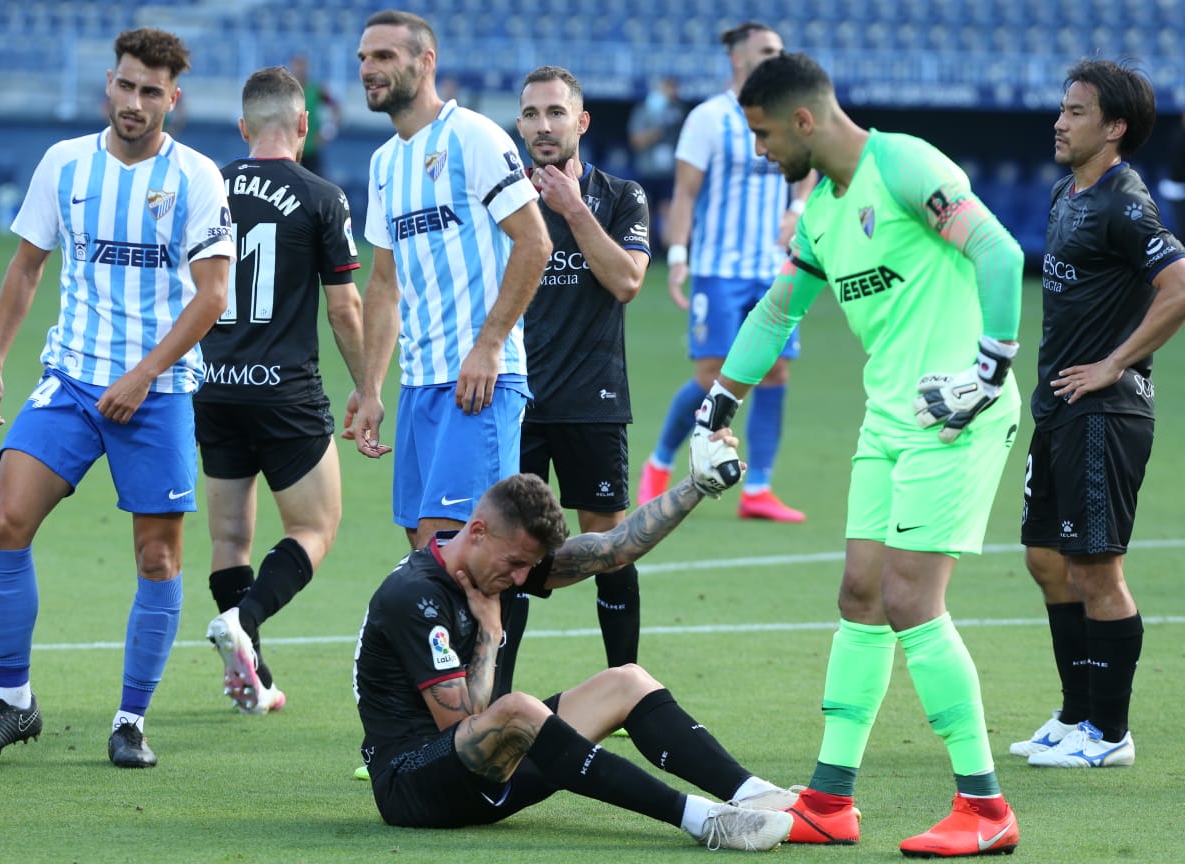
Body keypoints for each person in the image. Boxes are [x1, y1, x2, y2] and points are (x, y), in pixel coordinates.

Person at [691, 51, 1024, 855]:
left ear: (804, 120)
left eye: (765, 135)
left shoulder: (904, 163)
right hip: (887, 423)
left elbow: (1001, 254)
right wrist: (715, 410)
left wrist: (989, 368)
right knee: (861, 595)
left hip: (955, 416)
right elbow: (777, 312)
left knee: (912, 599)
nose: (761, 151)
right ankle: (831, 800)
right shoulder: (821, 214)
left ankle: (985, 810)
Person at [0, 28, 233, 768]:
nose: (134, 102)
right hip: (73, 380)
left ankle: (131, 721)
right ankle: (14, 701)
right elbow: (26, 269)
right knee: (7, 520)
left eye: (151, 92)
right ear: (108, 84)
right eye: (125, 86)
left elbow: (211, 297)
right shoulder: (65, 164)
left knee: (157, 560)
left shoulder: (198, 178)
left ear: (173, 98)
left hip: (159, 391)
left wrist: (142, 376)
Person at [352, 451, 797, 851]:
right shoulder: (413, 597)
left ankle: (752, 792)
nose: (524, 579)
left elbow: (612, 549)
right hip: (414, 786)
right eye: (516, 565)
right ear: (479, 532)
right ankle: (706, 821)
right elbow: (460, 724)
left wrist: (696, 485)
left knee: (625, 681)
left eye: (529, 565)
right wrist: (490, 632)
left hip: (490, 773)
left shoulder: (502, 555)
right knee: (518, 710)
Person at [1012, 59, 1185, 769]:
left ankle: (1109, 736)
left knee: (1097, 571)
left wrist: (1116, 362)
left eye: (1077, 110)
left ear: (1114, 128)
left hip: (1104, 412)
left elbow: (1177, 288)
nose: (1060, 119)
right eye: (1062, 107)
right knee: (1047, 560)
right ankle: (1076, 714)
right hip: (1059, 408)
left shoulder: (1124, 202)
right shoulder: (1065, 194)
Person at [349, 10, 552, 549]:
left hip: (479, 383)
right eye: (364, 58)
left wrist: (489, 346)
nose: (369, 68)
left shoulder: (474, 137)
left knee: (462, 556)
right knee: (426, 558)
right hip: (419, 387)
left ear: (426, 61)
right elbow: (384, 285)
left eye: (384, 56)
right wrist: (371, 388)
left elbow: (535, 243)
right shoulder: (384, 163)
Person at [197, 66, 364, 715]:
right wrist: (368, 386)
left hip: (212, 385)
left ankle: (255, 676)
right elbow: (345, 308)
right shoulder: (323, 195)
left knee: (229, 539)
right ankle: (246, 619)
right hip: (285, 391)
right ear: (304, 125)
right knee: (316, 526)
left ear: (243, 127)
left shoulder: (205, 187)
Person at [639, 21, 811, 523]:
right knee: (712, 375)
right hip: (718, 268)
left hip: (777, 269)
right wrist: (676, 258)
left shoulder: (789, 115)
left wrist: (797, 211)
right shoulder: (709, 118)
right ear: (738, 58)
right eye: (766, 50)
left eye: (781, 50)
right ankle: (659, 463)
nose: (777, 57)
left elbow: (809, 173)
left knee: (776, 370)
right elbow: (685, 193)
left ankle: (758, 489)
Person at [514, 65, 651, 669]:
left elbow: (626, 281)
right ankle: (491, 702)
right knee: (508, 557)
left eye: (556, 112)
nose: (543, 126)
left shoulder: (622, 197)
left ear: (581, 121)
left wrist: (573, 210)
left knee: (610, 552)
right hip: (512, 400)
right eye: (531, 114)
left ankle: (625, 690)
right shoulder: (503, 200)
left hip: (593, 402)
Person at [627, 75, 684, 251]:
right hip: (647, 170)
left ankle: (667, 252)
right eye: (668, 88)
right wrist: (656, 133)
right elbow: (635, 140)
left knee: (668, 210)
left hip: (668, 172)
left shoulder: (678, 111)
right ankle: (646, 249)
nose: (672, 93)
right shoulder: (643, 110)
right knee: (645, 212)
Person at [289, 53, 343, 178]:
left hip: (311, 149)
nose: (299, 69)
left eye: (302, 65)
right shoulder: (285, 90)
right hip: (290, 150)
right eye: (296, 65)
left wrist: (328, 131)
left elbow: (337, 109)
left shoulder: (316, 90)